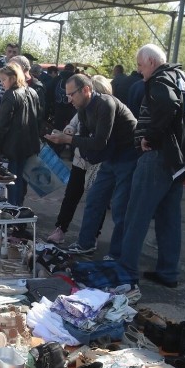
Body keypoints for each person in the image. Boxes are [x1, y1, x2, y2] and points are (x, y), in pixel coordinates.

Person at [118, 44, 185, 288]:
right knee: (168, 217)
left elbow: (168, 105)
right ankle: (168, 271)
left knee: (136, 215)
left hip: (157, 157)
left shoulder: (160, 80)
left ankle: (126, 273)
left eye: (141, 66)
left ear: (151, 62)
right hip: (178, 161)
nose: (140, 72)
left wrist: (149, 138)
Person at [45, 75, 137, 257]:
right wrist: (69, 140)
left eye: (72, 94)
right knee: (95, 199)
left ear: (86, 90)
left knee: (120, 207)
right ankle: (85, 243)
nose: (69, 99)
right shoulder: (82, 107)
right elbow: (87, 140)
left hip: (127, 155)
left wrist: (68, 139)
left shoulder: (105, 104)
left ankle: (118, 254)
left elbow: (99, 142)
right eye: (67, 95)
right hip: (111, 156)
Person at [0, 63, 40, 206]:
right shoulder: (32, 92)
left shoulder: (10, 95)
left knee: (11, 181)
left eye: (4, 80)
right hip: (29, 145)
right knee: (21, 181)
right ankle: (18, 213)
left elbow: (3, 123)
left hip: (12, 146)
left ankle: (12, 213)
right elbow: (38, 117)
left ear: (13, 78)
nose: (2, 83)